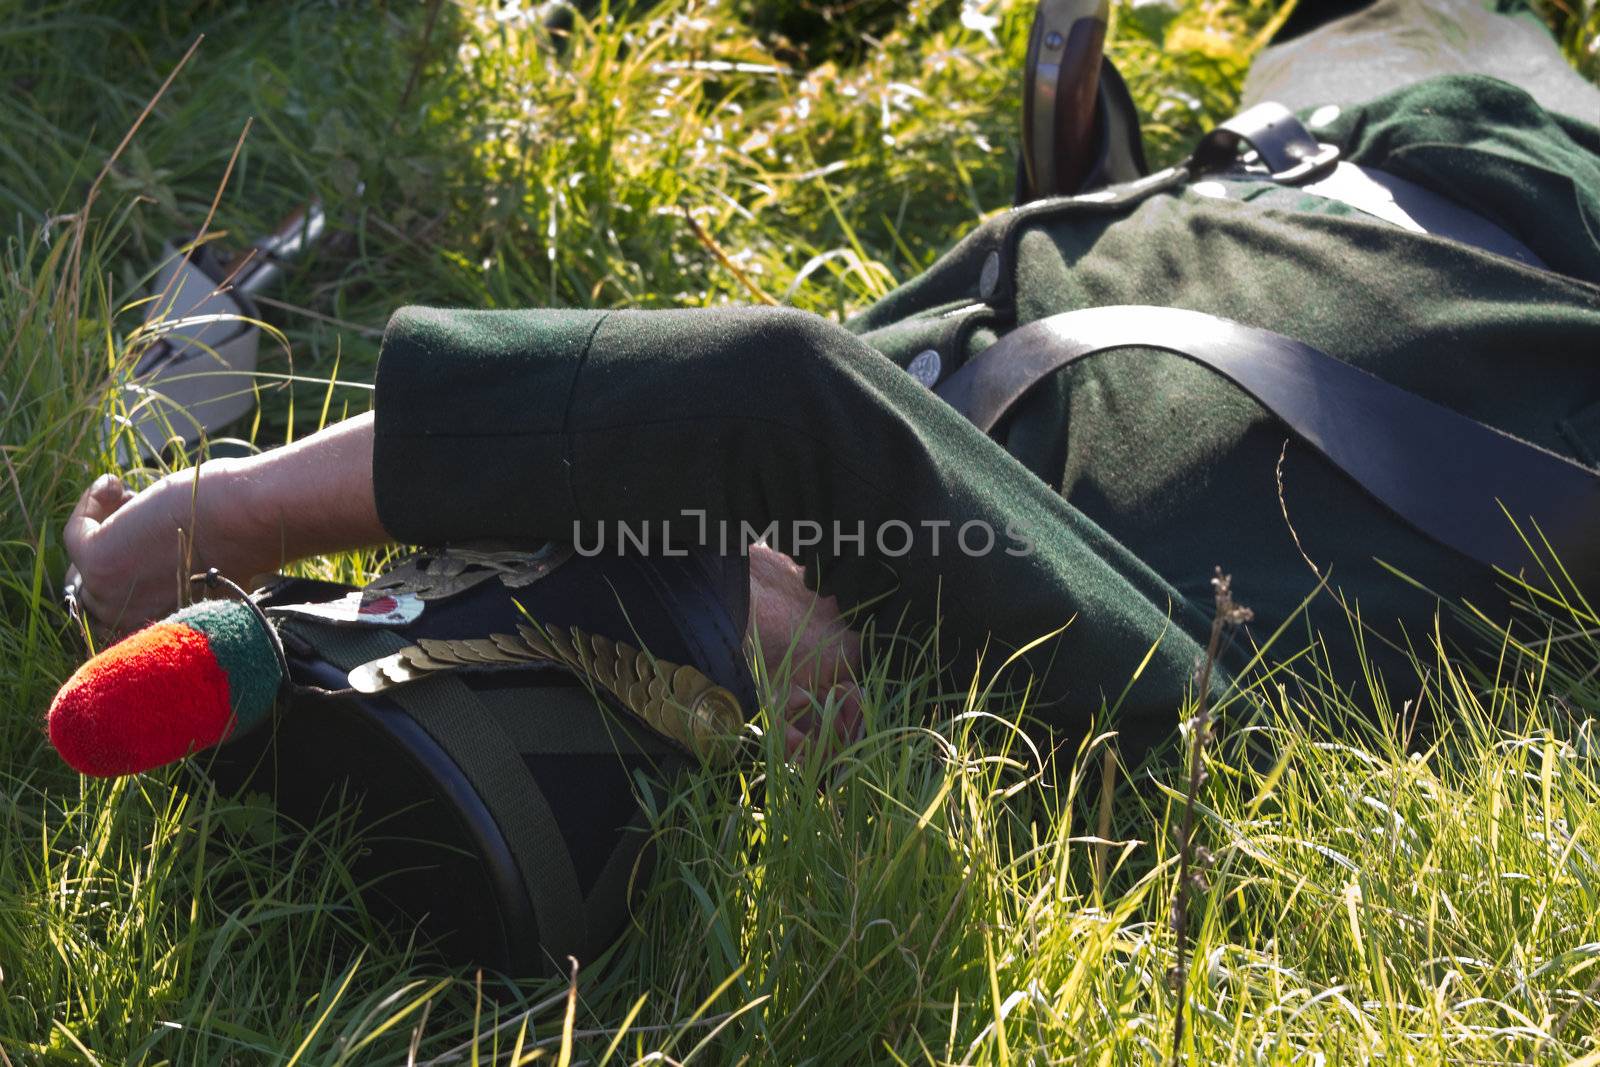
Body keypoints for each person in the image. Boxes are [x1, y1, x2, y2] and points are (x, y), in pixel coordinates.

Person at [65, 0, 1600, 752]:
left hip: (1316, 211)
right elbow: (759, 401)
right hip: (1466, 191)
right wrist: (235, 516)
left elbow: (763, 395)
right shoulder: (1121, 682)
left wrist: (217, 511)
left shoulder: (1006, 602)